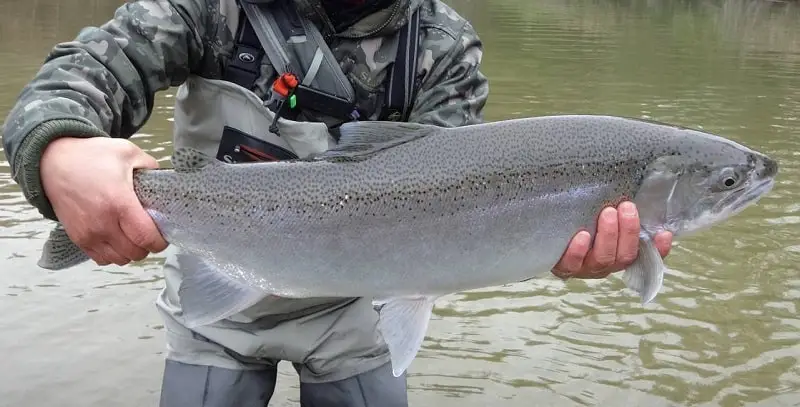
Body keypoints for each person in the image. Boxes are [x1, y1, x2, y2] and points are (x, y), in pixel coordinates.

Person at [2, 0, 673, 405]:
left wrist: (549, 237)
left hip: (358, 306)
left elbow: (459, 200)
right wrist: (59, 148)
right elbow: (74, 78)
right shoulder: (209, 8)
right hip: (220, 300)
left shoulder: (441, 45)